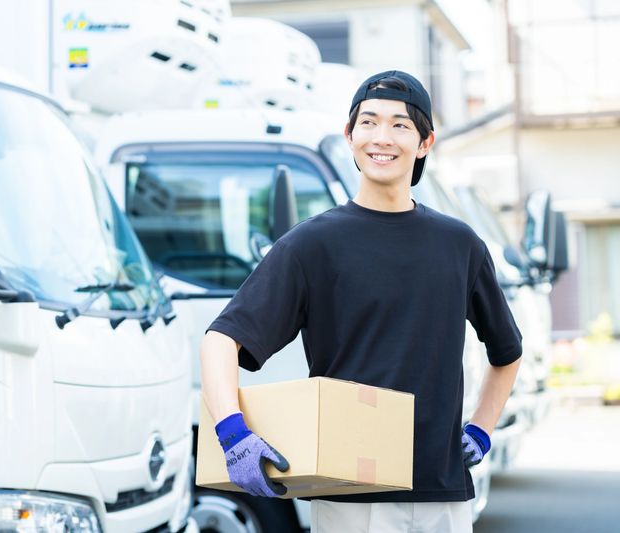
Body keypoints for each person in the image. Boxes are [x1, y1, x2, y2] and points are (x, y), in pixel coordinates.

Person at [199, 70, 523, 533]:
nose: (381, 138)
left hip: (443, 490)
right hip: (350, 491)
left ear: (425, 142)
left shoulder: (460, 245)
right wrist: (232, 433)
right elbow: (220, 340)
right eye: (368, 123)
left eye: (399, 125)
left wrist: (481, 428)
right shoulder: (313, 244)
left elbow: (507, 352)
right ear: (350, 136)